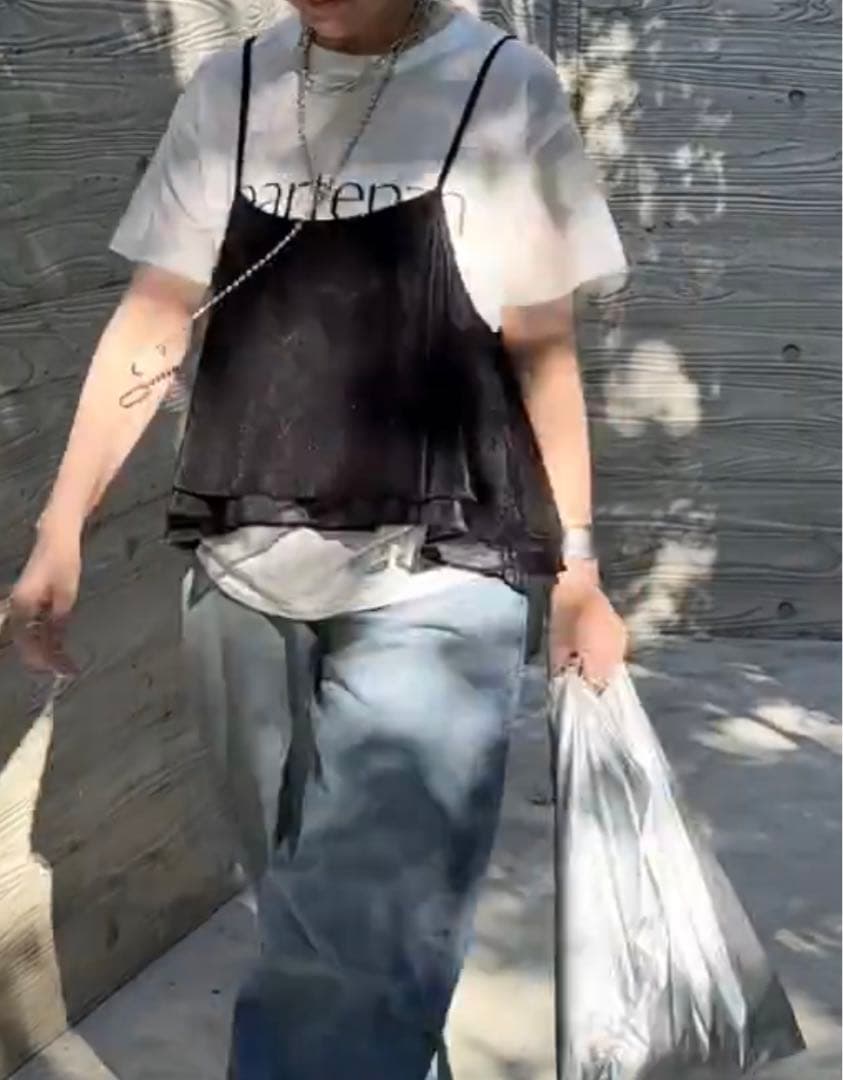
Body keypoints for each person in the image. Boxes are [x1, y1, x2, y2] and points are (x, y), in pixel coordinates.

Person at [10, 0, 630, 1075]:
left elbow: (542, 348)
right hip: (240, 580)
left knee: (363, 936)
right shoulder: (233, 90)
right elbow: (155, 316)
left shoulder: (501, 86)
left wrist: (577, 567)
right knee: (313, 925)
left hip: (434, 581)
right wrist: (61, 523)